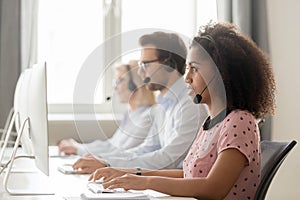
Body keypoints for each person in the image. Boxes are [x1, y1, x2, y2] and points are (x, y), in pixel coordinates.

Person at [88, 22, 276, 200]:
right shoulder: (210, 124)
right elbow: (187, 174)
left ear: (221, 74)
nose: (186, 78)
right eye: (187, 68)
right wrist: (129, 174)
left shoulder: (239, 121)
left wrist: (145, 181)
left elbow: (214, 189)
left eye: (194, 69)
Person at [71, 31, 209, 173]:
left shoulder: (191, 104)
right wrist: (102, 159)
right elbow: (146, 149)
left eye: (145, 65)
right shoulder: (162, 105)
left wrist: (109, 164)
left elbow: (169, 159)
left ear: (169, 64)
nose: (140, 73)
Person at [58, 60, 157, 156]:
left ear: (135, 85)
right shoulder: (131, 114)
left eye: (120, 80)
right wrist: (79, 147)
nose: (115, 87)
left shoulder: (147, 117)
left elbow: (123, 151)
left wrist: (79, 150)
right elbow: (111, 145)